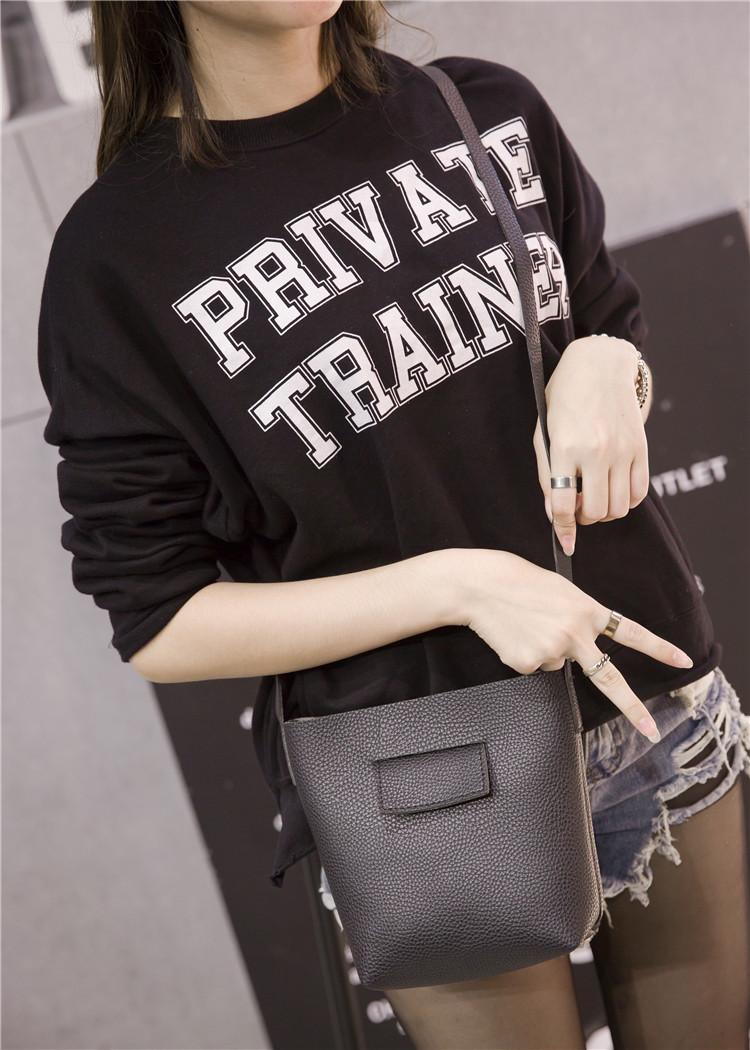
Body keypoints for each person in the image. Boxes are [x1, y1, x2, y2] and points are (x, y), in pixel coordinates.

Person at [36, 2, 750, 1047]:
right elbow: (159, 617)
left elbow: (603, 323)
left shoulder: (483, 107)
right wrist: (457, 586)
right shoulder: (119, 254)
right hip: (423, 772)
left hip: (652, 704)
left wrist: (610, 366)